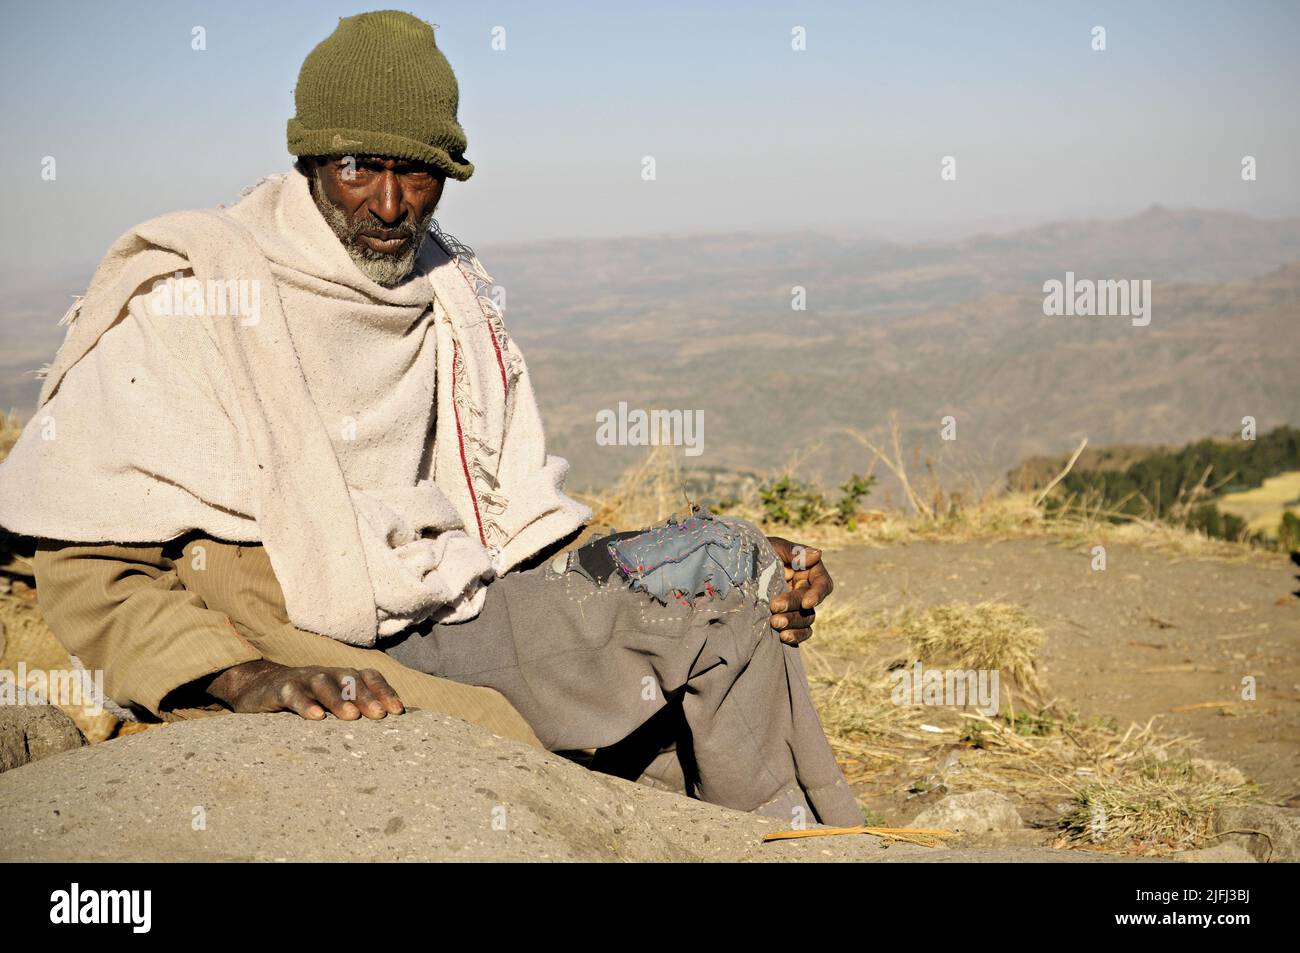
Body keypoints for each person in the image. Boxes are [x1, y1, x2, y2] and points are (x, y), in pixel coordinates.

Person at [0, 10, 860, 826]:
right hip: (292, 639)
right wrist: (244, 675)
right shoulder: (193, 300)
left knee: (729, 564)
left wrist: (735, 558)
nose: (386, 204)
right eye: (357, 168)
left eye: (414, 173)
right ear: (309, 162)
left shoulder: (451, 293)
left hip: (448, 613)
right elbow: (88, 570)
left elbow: (514, 528)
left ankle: (779, 839)